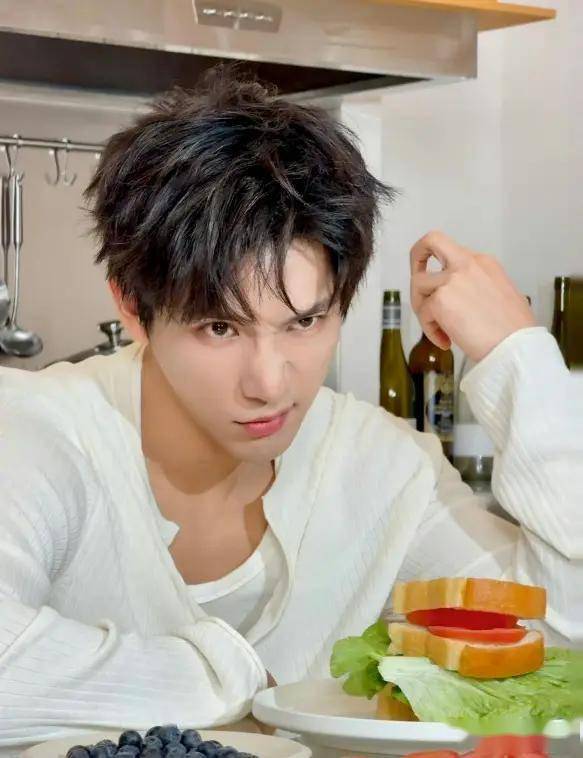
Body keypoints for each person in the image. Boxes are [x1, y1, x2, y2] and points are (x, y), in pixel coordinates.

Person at [0, 70, 581, 746]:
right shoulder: (35, 432)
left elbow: (554, 639)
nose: (269, 383)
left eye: (304, 322)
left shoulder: (383, 467)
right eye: (220, 328)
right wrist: (240, 685)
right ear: (132, 306)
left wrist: (517, 357)